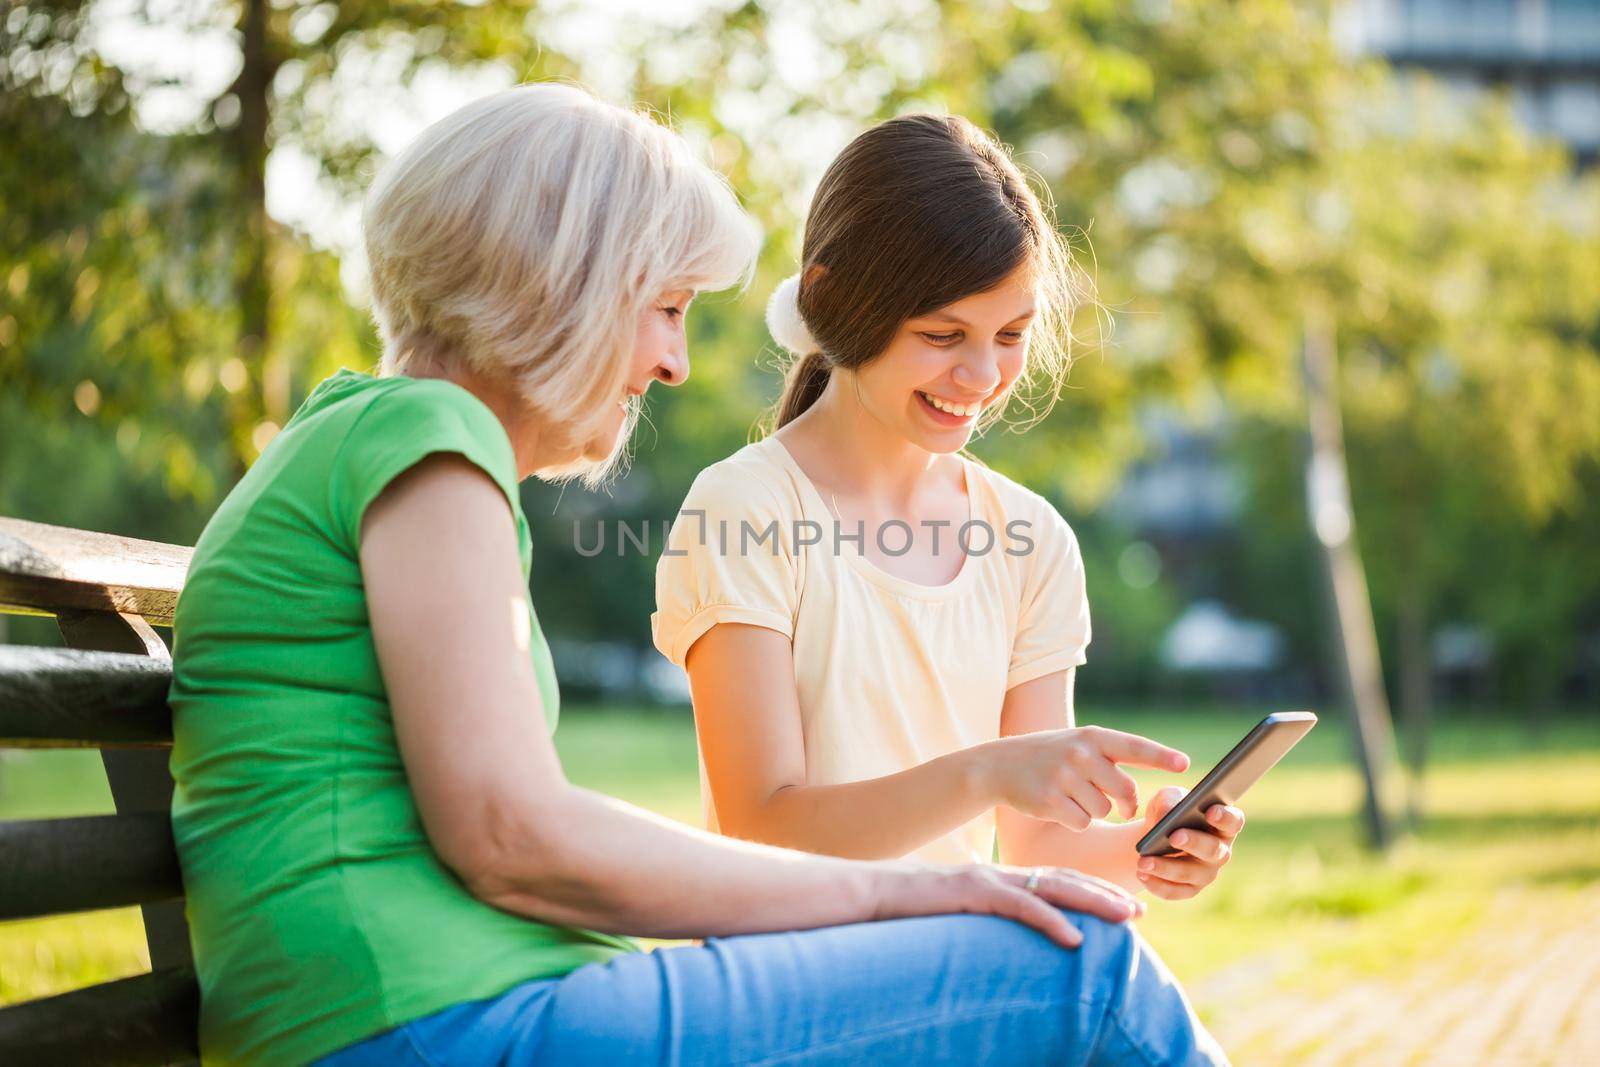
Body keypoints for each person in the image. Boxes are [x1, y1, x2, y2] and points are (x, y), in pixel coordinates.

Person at [168, 82, 1228, 1066]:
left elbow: (507, 827)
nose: (675, 361)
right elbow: (509, 832)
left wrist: (1039, 867)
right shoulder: (428, 435)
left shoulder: (389, 441)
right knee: (1088, 980)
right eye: (666, 305)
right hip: (417, 1019)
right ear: (561, 286)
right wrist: (909, 895)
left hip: (433, 1003)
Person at [653, 114, 1246, 898]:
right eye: (942, 333)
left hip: (953, 958)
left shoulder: (1030, 539)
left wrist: (1150, 844)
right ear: (832, 301)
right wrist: (988, 774)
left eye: (1011, 333)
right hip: (792, 977)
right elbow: (762, 830)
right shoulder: (746, 507)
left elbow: (1039, 844)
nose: (980, 374)